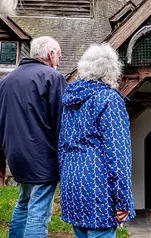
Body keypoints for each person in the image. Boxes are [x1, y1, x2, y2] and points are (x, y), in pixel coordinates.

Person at [58, 43, 135, 237]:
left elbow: (61, 147)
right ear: (112, 71)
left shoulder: (70, 101)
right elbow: (119, 155)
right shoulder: (109, 99)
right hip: (98, 190)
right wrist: (123, 200)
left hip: (72, 185)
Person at [0, 36, 66, 237]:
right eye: (59, 56)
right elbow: (61, 122)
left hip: (15, 154)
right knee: (39, 211)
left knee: (23, 203)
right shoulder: (52, 77)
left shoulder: (5, 81)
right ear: (50, 54)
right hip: (42, 156)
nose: (59, 61)